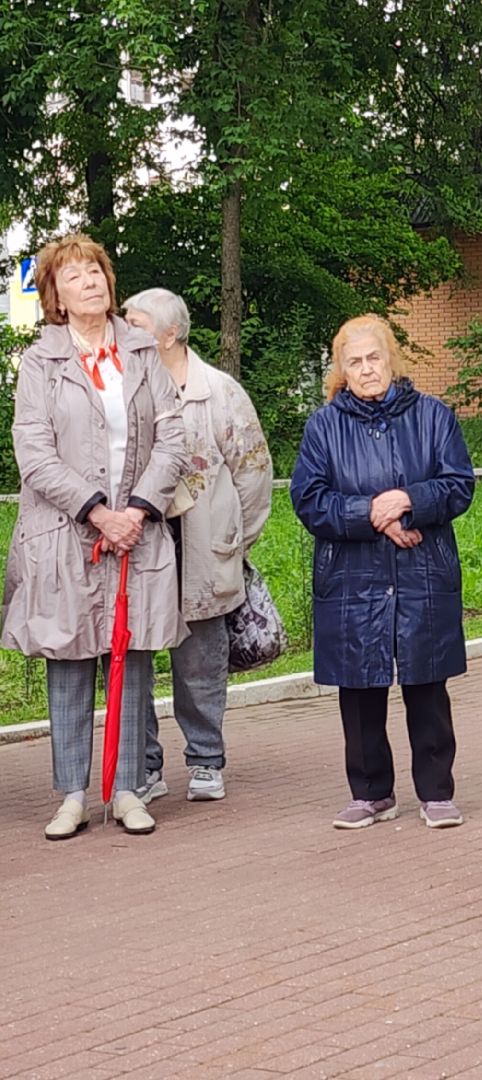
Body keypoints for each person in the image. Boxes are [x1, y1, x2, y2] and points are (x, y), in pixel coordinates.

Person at [2, 234, 187, 839]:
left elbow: (173, 436)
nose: (90, 282)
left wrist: (134, 509)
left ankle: (130, 790)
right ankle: (73, 794)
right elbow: (32, 449)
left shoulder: (140, 352)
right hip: (66, 533)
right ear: (54, 294)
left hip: (136, 531)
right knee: (71, 659)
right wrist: (95, 512)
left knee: (131, 655)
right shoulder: (40, 361)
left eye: (97, 272)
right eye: (74, 275)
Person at [290, 315, 475, 830]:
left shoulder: (434, 416)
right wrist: (371, 514)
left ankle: (436, 792)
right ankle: (371, 792)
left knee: (426, 682)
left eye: (375, 358)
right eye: (355, 362)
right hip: (353, 573)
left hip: (422, 569)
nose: (367, 370)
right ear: (341, 371)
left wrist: (409, 501)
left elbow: (458, 484)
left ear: (392, 360)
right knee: (360, 686)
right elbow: (308, 499)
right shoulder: (323, 426)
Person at [123, 288, 273, 804]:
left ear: (169, 335)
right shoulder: (123, 387)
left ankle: (206, 759)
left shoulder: (219, 391)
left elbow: (253, 474)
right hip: (141, 543)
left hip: (203, 545)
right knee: (135, 658)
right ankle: (142, 766)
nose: (125, 328)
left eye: (135, 322)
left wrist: (232, 541)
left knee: (201, 663)